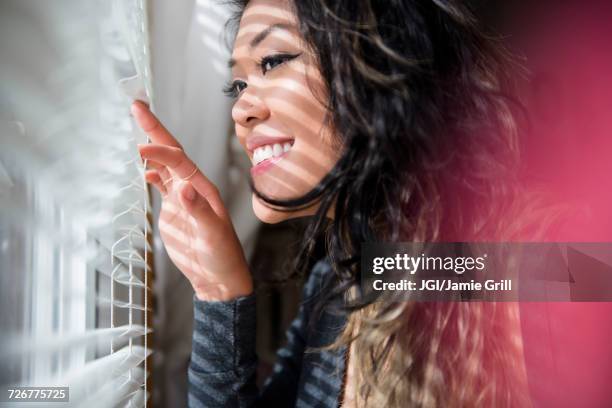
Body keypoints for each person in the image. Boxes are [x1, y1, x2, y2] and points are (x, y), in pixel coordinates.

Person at [133, 0, 532, 406]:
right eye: (238, 85)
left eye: (271, 62)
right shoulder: (337, 285)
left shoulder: (534, 264)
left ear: (379, 67)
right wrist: (218, 288)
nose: (240, 110)